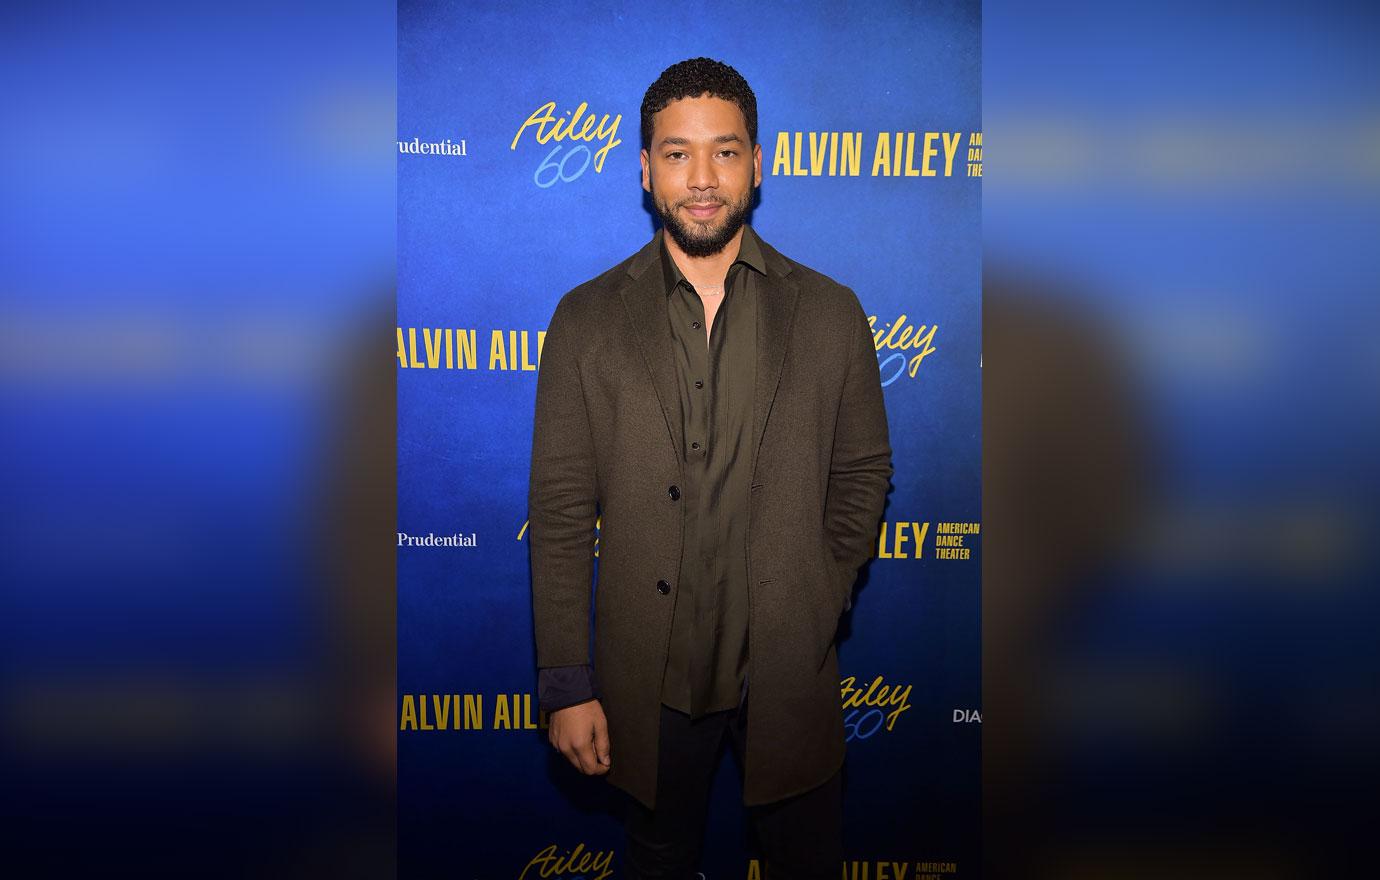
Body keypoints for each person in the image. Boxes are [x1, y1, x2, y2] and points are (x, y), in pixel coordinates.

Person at [528, 57, 891, 878]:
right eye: (678, 153)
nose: (701, 178)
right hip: (649, 680)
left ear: (757, 164)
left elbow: (864, 469)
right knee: (658, 861)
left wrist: (820, 589)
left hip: (788, 670)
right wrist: (565, 682)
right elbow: (556, 510)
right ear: (645, 169)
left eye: (724, 152)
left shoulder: (830, 312)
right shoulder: (585, 319)